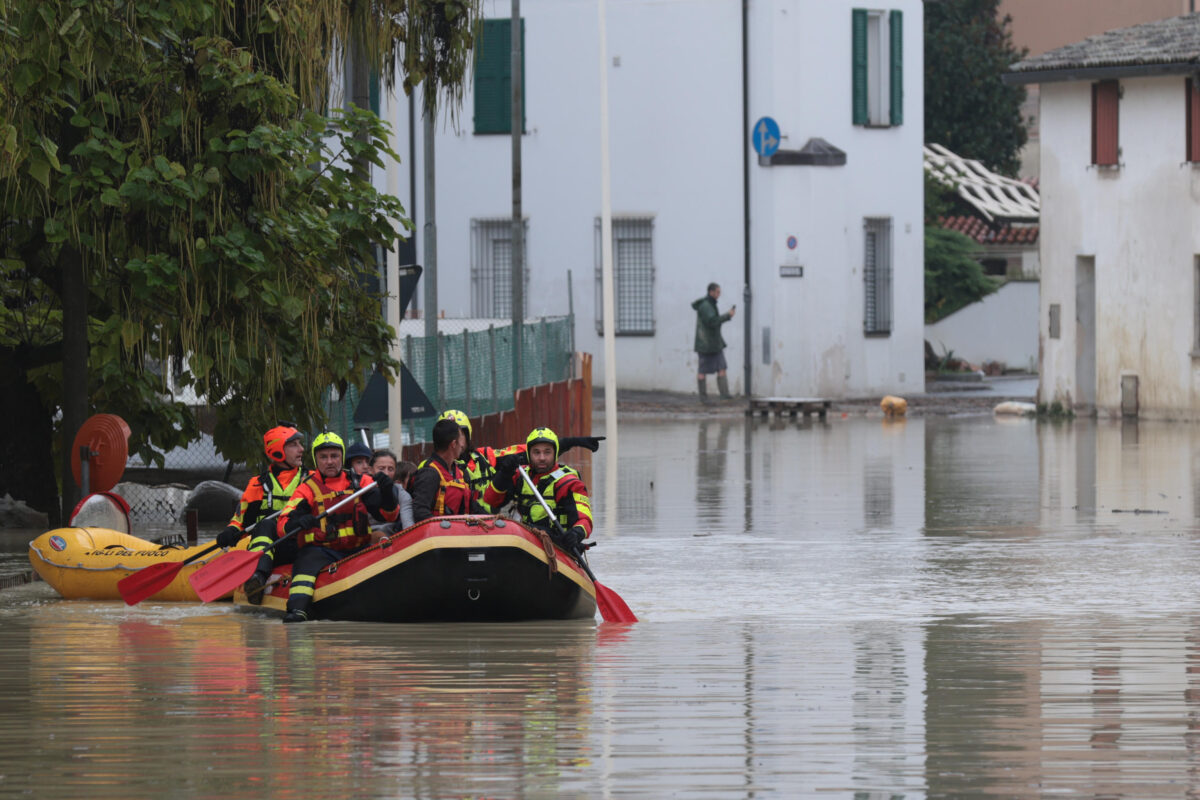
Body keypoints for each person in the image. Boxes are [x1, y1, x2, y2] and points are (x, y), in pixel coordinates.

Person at [273, 431, 399, 623]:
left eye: (334, 456)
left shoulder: (361, 482)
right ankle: (298, 610)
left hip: (358, 548)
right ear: (315, 459)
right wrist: (299, 521)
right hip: (322, 551)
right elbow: (282, 525)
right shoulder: (306, 489)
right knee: (306, 562)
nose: (329, 462)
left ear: (342, 457)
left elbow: (387, 514)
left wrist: (388, 491)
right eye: (323, 457)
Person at [436, 408, 604, 506]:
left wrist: (574, 441)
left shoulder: (485, 456)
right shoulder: (433, 468)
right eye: (450, 435)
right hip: (456, 526)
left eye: (459, 434)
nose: (455, 440)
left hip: (490, 526)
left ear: (468, 435)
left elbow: (535, 450)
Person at [483, 427, 593, 552]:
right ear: (529, 454)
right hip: (527, 542)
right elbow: (491, 500)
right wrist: (504, 474)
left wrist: (576, 533)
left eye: (547, 452)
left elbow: (585, 519)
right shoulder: (520, 476)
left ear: (555, 453)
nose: (542, 458)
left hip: (557, 544)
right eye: (536, 452)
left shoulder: (569, 483)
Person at [216, 425, 307, 575]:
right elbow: (241, 521)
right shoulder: (257, 484)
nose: (301, 449)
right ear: (278, 452)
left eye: (299, 444)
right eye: (293, 445)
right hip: (271, 549)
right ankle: (258, 575)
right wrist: (230, 532)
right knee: (265, 524)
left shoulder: (310, 478)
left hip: (301, 545)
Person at [410, 418, 479, 522]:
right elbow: (420, 511)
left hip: (461, 531)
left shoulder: (460, 472)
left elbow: (473, 506)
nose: (462, 445)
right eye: (461, 440)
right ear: (454, 444)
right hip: (440, 534)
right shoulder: (429, 474)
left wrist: (492, 519)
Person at [692, 281, 735, 402]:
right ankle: (703, 397)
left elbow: (713, 320)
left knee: (722, 367)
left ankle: (724, 394)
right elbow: (712, 321)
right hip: (705, 344)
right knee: (702, 370)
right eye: (717, 292)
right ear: (711, 292)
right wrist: (728, 316)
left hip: (714, 343)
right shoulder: (706, 306)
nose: (719, 294)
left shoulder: (710, 304)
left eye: (719, 292)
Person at [368, 448, 415, 532]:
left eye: (390, 469)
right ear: (370, 470)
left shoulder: (402, 494)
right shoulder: (360, 490)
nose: (386, 473)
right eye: (381, 468)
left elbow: (409, 528)